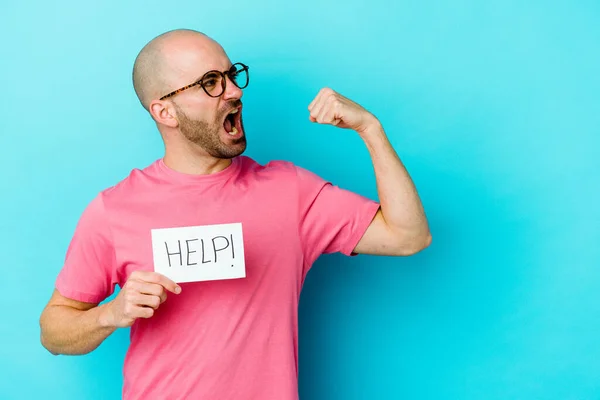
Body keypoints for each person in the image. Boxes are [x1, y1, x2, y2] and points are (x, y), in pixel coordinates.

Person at [39, 28, 431, 400]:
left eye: (231, 74)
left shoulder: (289, 191)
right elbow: (53, 331)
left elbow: (408, 236)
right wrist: (111, 312)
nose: (234, 90)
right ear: (165, 111)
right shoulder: (115, 209)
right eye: (211, 82)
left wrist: (371, 129)